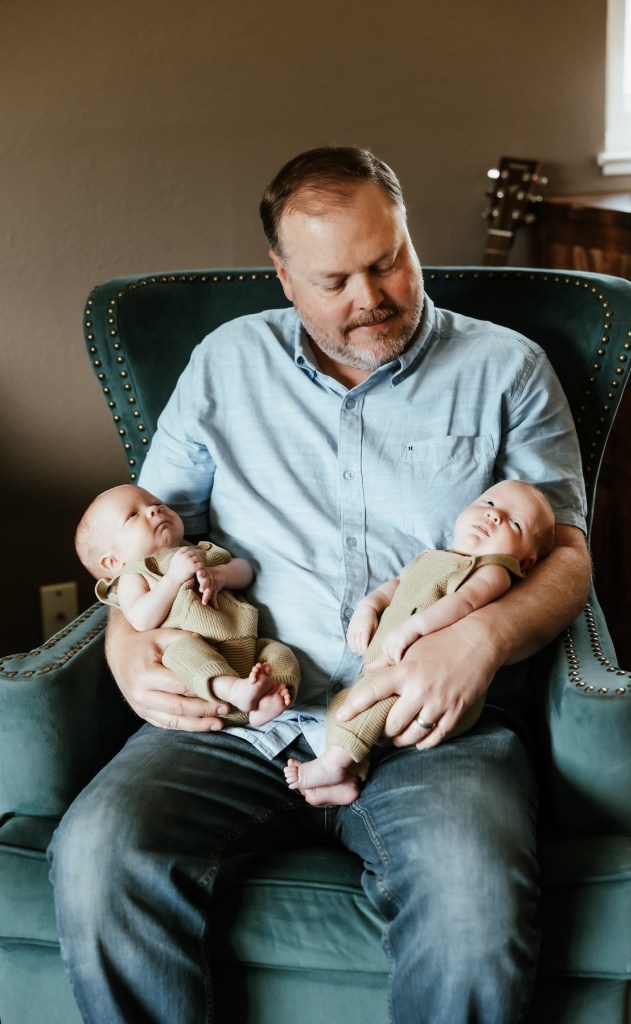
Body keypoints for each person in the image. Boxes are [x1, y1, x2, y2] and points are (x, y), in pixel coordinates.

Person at [49, 146, 591, 1024]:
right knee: (97, 855)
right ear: (283, 275)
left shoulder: (507, 369)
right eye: (333, 279)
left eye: (387, 262)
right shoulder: (225, 363)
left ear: (408, 235)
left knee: (471, 899)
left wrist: (479, 639)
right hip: (237, 715)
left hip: (426, 724)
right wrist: (125, 643)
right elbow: (145, 530)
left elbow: (567, 552)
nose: (369, 297)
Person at [284, 479, 555, 804]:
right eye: (490, 504)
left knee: (366, 707)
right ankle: (347, 775)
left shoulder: (492, 570)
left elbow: (463, 604)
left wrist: (413, 629)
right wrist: (368, 607)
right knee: (346, 704)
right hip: (389, 667)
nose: (494, 517)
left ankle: (330, 766)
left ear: (525, 561)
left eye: (515, 522)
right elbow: (396, 586)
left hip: (430, 680)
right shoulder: (431, 557)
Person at [76, 483, 300, 726]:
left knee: (280, 654)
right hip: (201, 651)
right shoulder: (135, 574)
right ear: (112, 562)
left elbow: (246, 571)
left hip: (248, 645)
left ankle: (264, 703)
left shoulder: (199, 550)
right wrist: (172, 579)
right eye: (133, 515)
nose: (154, 510)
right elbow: (141, 619)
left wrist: (221, 575)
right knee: (182, 652)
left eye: (157, 503)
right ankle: (233, 689)